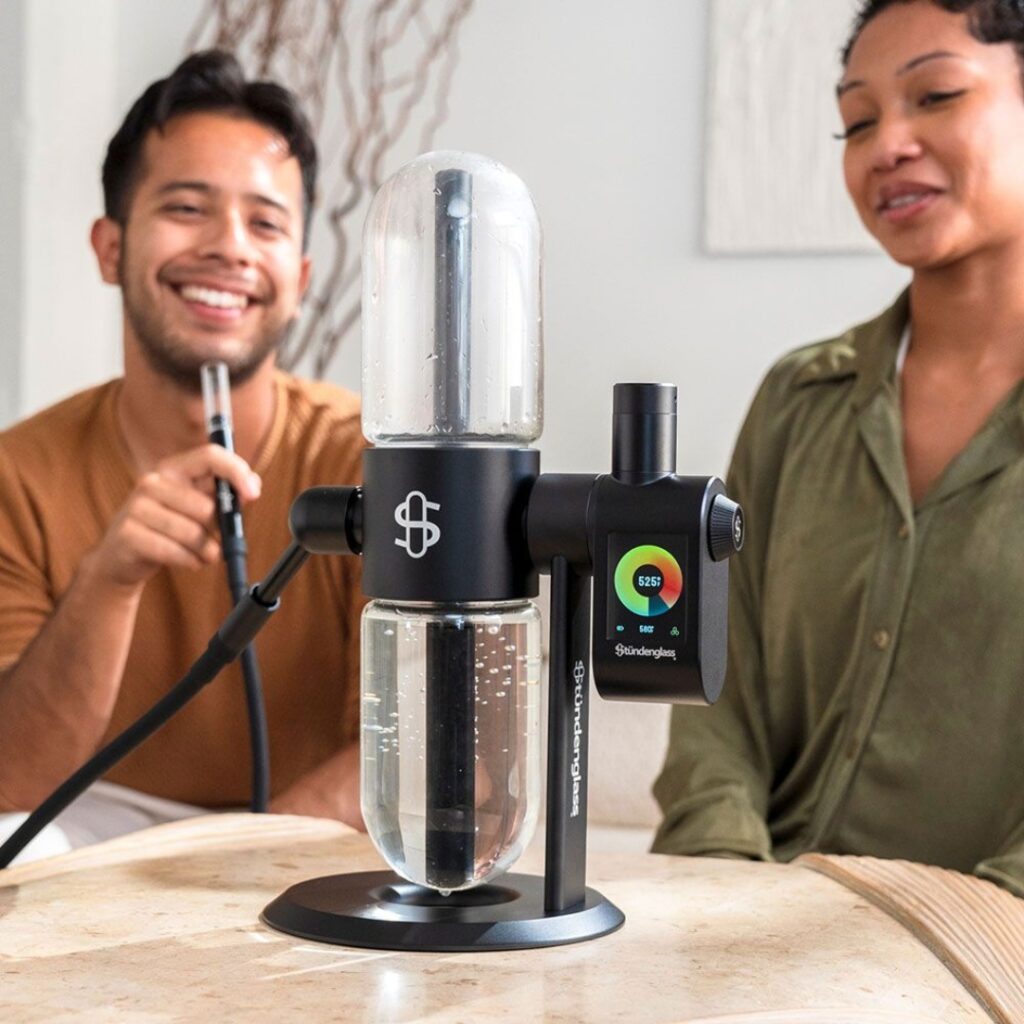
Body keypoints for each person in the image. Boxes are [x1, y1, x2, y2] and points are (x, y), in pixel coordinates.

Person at [652, 0, 1024, 898]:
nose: (885, 144)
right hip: (755, 941)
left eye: (934, 95)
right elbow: (716, 698)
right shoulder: (797, 399)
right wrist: (724, 901)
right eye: (857, 121)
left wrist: (954, 947)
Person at [0, 51, 366, 852]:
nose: (230, 247)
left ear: (298, 279)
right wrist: (108, 579)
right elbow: (11, 788)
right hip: (93, 825)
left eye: (265, 223)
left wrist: (231, 872)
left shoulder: (370, 461)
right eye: (188, 207)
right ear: (109, 247)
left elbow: (426, 754)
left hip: (302, 837)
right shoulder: (18, 476)